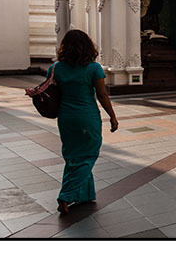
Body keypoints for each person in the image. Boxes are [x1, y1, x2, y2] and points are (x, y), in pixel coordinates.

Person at [50, 29, 119, 215]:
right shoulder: (93, 68)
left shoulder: (55, 68)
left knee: (73, 156)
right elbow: (102, 95)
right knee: (88, 155)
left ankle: (84, 194)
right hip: (87, 117)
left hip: (66, 118)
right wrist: (112, 116)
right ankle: (66, 196)